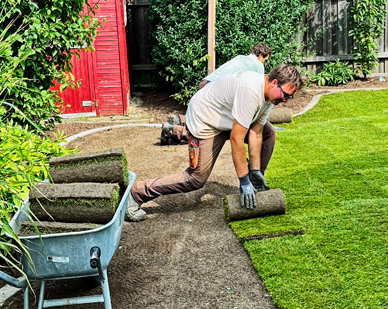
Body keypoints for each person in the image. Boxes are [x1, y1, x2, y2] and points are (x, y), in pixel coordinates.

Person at [126, 64, 302, 222]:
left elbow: (256, 132)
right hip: (205, 120)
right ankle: (137, 193)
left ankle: (256, 183)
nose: (285, 100)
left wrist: (255, 170)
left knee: (268, 133)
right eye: (285, 94)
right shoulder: (251, 90)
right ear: (274, 82)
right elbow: (236, 139)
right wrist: (243, 180)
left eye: (289, 97)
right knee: (195, 179)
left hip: (226, 117)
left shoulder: (270, 97)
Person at [161, 43, 271, 145]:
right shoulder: (257, 65)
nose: (264, 63)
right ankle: (173, 131)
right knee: (213, 127)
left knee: (203, 120)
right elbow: (258, 90)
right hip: (214, 90)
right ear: (261, 55)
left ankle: (179, 121)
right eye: (265, 60)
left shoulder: (241, 58)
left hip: (205, 84)